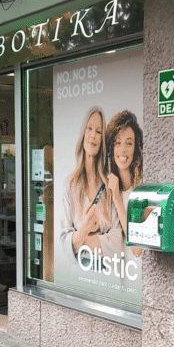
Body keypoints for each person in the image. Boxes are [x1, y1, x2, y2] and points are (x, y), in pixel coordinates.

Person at [60, 108, 120, 266]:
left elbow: (117, 240)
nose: (93, 135)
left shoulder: (108, 185)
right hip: (80, 271)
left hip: (107, 271)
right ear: (83, 133)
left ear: (102, 140)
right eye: (89, 128)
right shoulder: (70, 184)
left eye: (99, 131)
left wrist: (81, 238)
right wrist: (86, 228)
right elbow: (64, 241)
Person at [106, 110, 143, 262]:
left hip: (137, 272)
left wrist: (117, 199)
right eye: (118, 142)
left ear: (136, 148)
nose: (122, 150)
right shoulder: (109, 185)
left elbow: (138, 249)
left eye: (129, 143)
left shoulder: (140, 191)